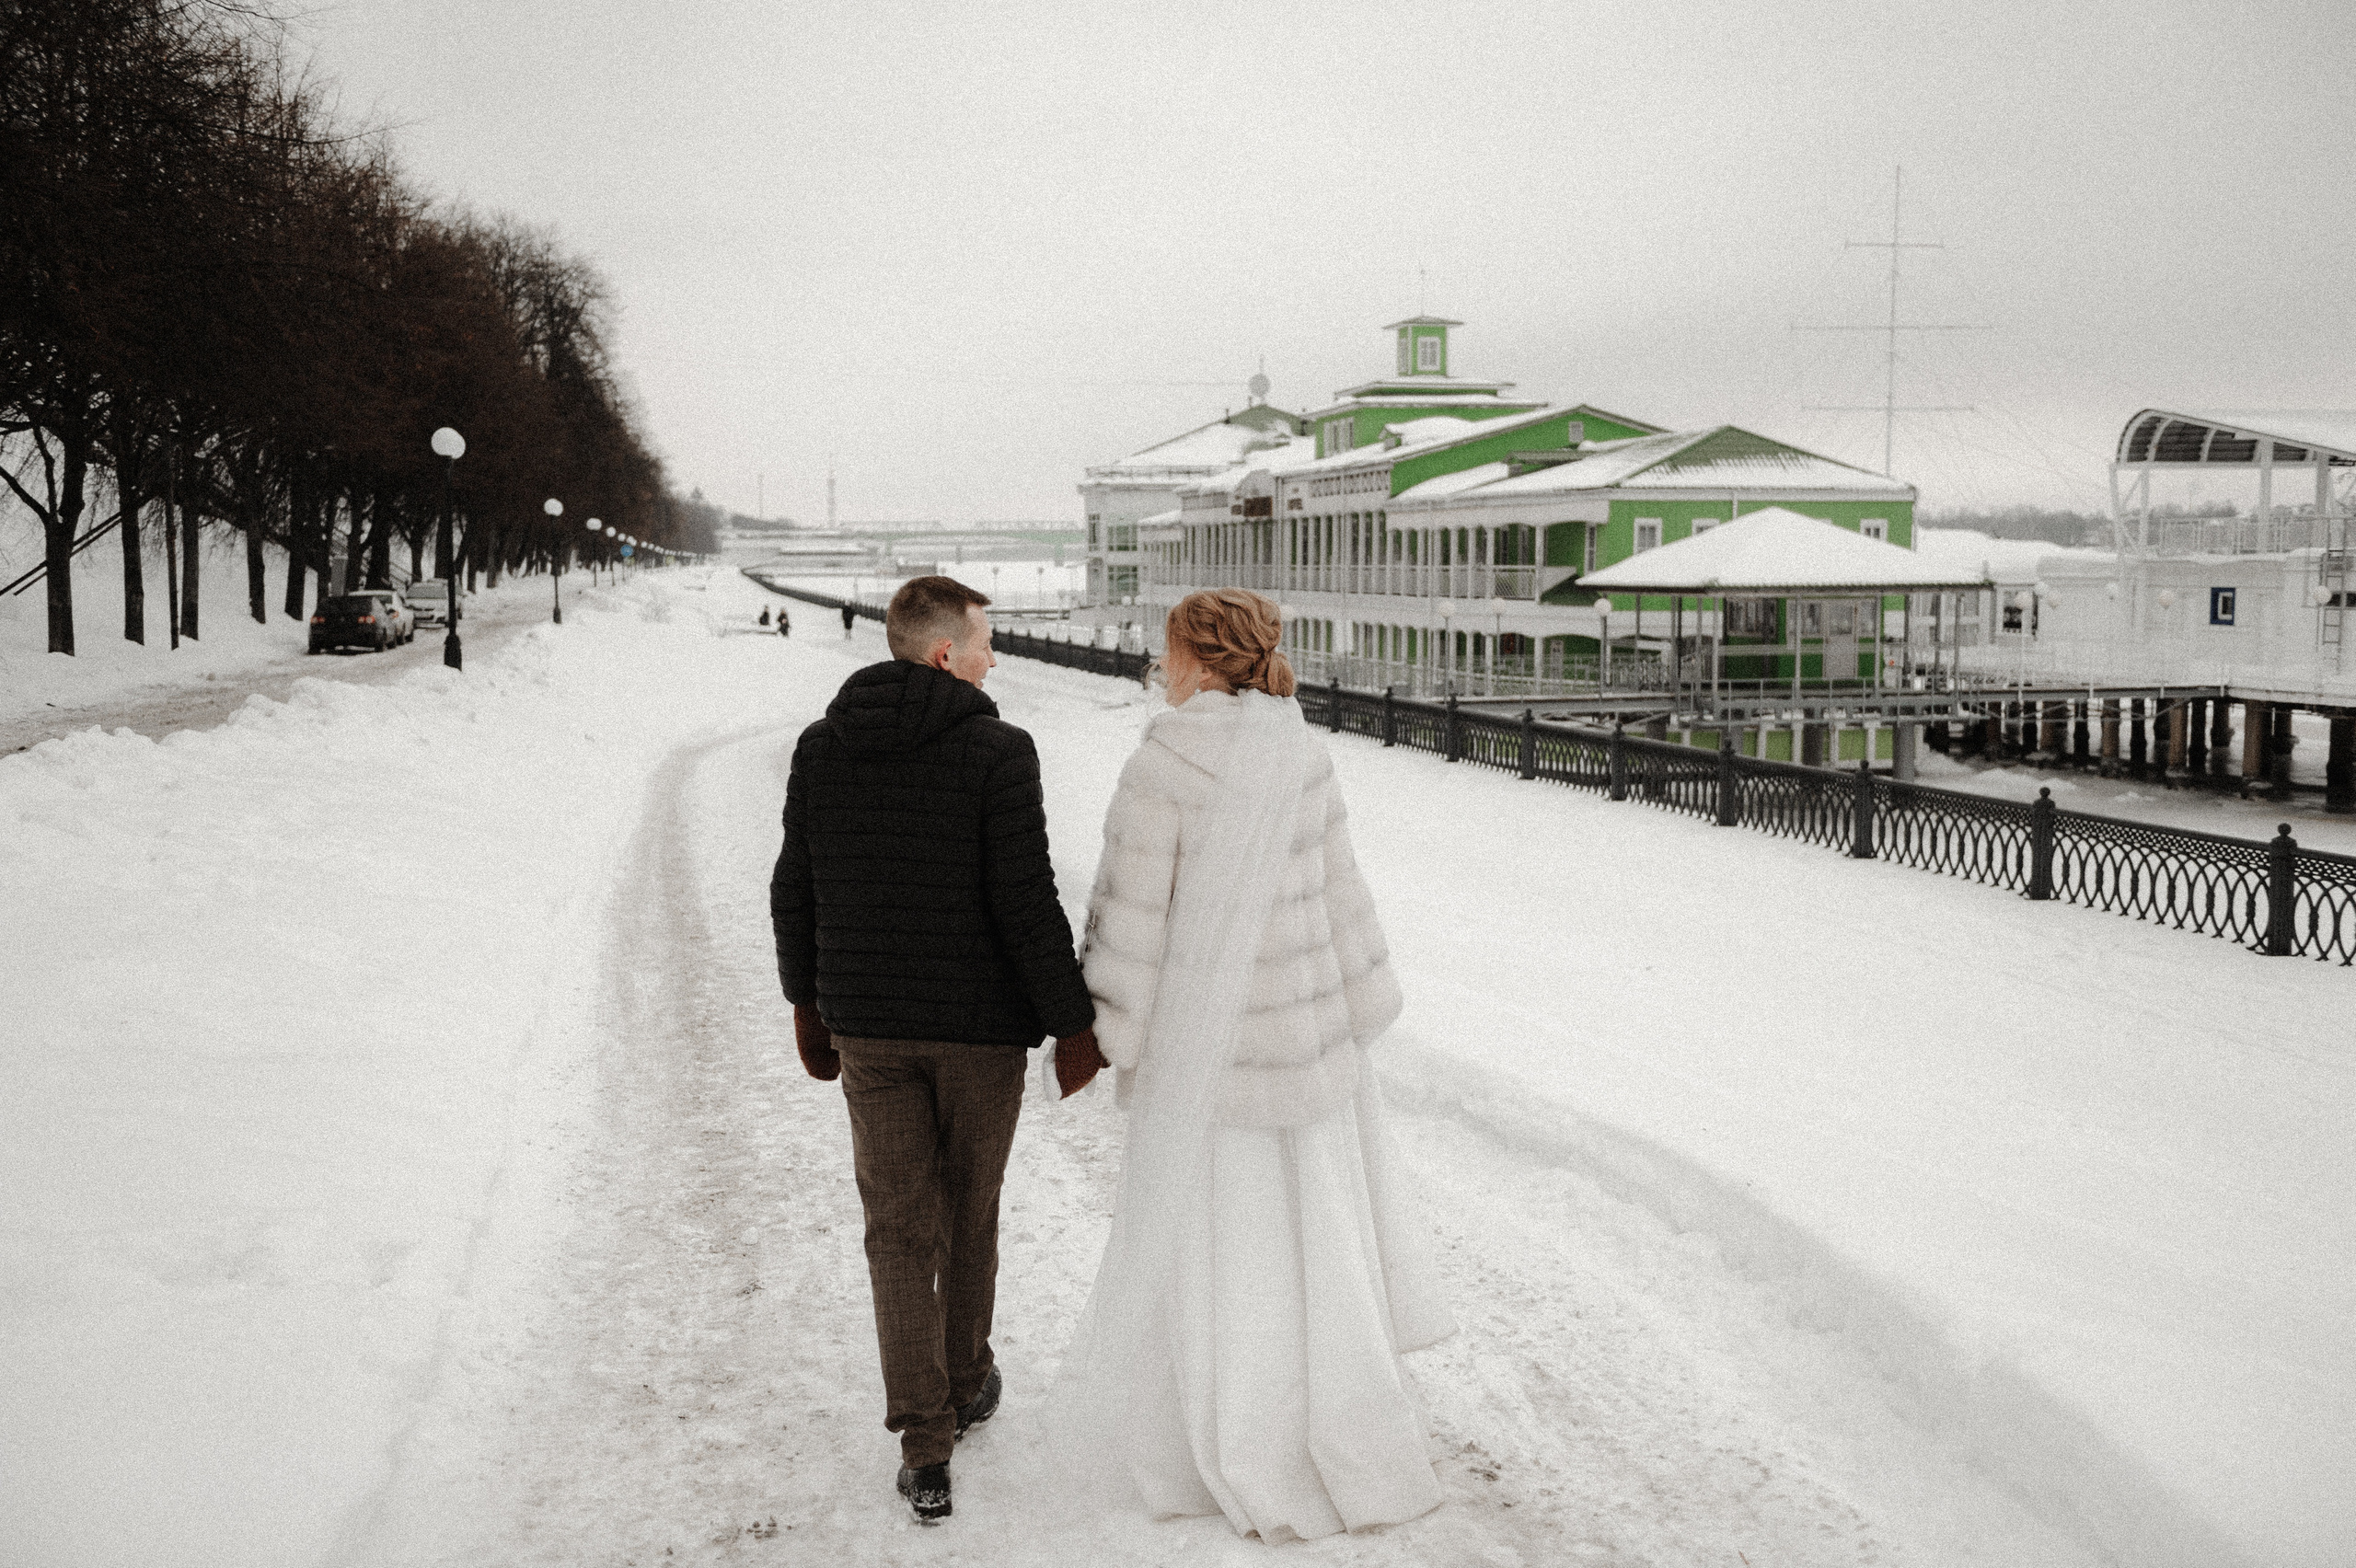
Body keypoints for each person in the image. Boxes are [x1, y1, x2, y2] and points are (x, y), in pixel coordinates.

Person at [1061, 586, 1452, 1542]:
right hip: (1306, 1048)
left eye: (1168, 650)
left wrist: (1108, 1031)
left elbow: (1132, 921)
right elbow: (1340, 893)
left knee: (1218, 1251)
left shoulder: (1165, 758)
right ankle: (1340, 1428)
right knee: (1315, 1245)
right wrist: (1359, 1007)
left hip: (1211, 1059)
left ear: (1194, 657)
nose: (1162, 666)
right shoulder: (1302, 751)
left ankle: (1222, 1441)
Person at [770, 574, 1106, 1526]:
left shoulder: (821, 747)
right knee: (968, 1210)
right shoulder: (1000, 750)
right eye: (986, 641)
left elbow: (793, 888)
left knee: (894, 1227)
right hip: (978, 1034)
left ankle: (924, 1444)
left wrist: (808, 1003)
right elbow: (1023, 898)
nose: (996, 658)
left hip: (868, 1028)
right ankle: (962, 1383)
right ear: (943, 654)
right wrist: (1072, 1019)